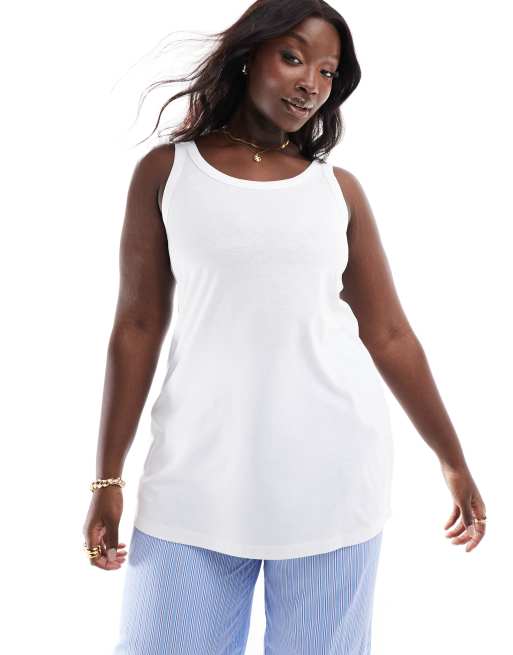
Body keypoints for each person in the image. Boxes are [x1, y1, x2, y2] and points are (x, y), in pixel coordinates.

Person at [82, 1, 487, 652]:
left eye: (327, 72)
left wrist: (453, 460)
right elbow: (136, 325)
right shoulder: (168, 172)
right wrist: (107, 479)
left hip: (330, 481)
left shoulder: (336, 190)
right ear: (249, 56)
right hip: (194, 483)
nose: (311, 84)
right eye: (294, 58)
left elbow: (389, 334)